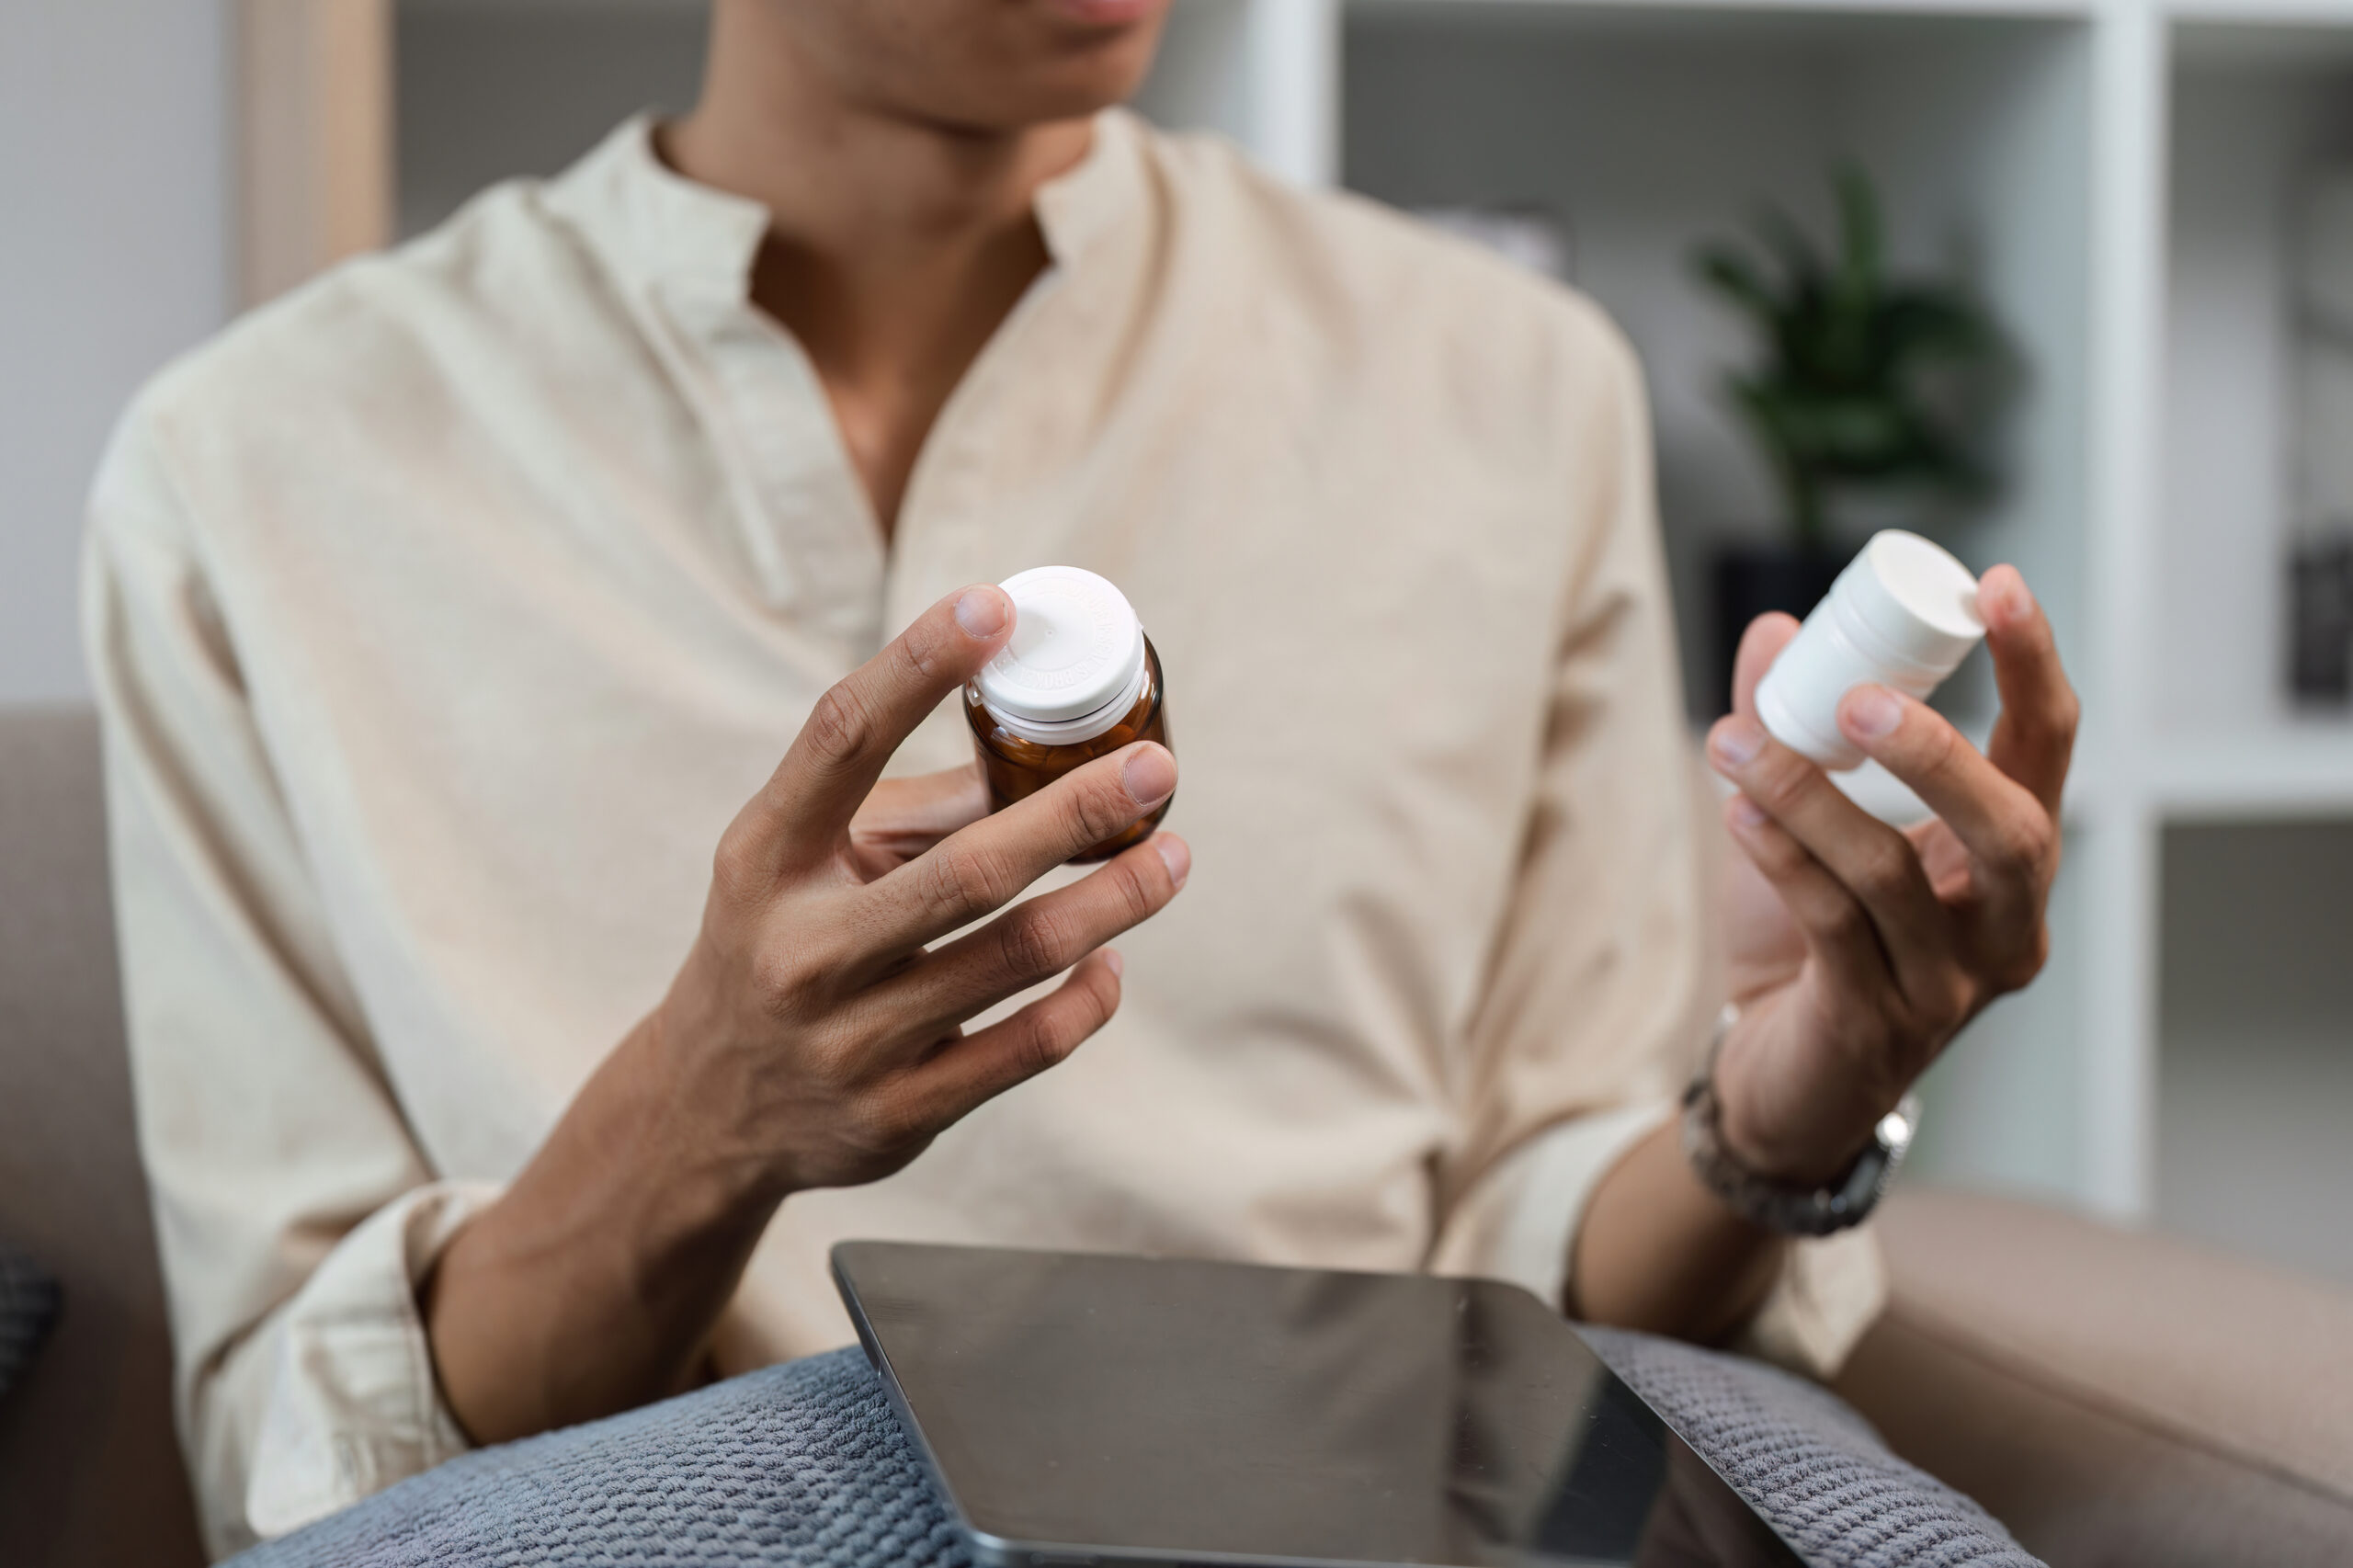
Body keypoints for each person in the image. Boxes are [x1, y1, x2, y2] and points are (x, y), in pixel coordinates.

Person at [83, 0, 2075, 1553]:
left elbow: (1549, 1279)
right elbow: (315, 1470)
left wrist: (1794, 1104)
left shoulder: (1505, 388)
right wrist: (698, 1121)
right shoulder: (258, 471)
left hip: (1364, 1506)